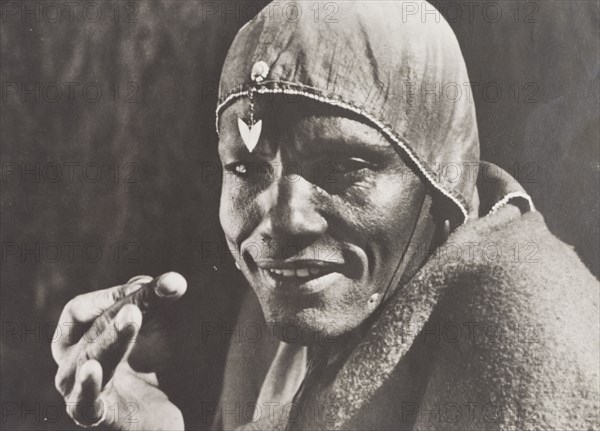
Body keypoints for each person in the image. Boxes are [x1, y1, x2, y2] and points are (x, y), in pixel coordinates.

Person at [52, 2, 599, 430]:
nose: (283, 221)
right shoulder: (287, 316)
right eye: (245, 168)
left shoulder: (525, 342)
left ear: (443, 184)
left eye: (342, 167)